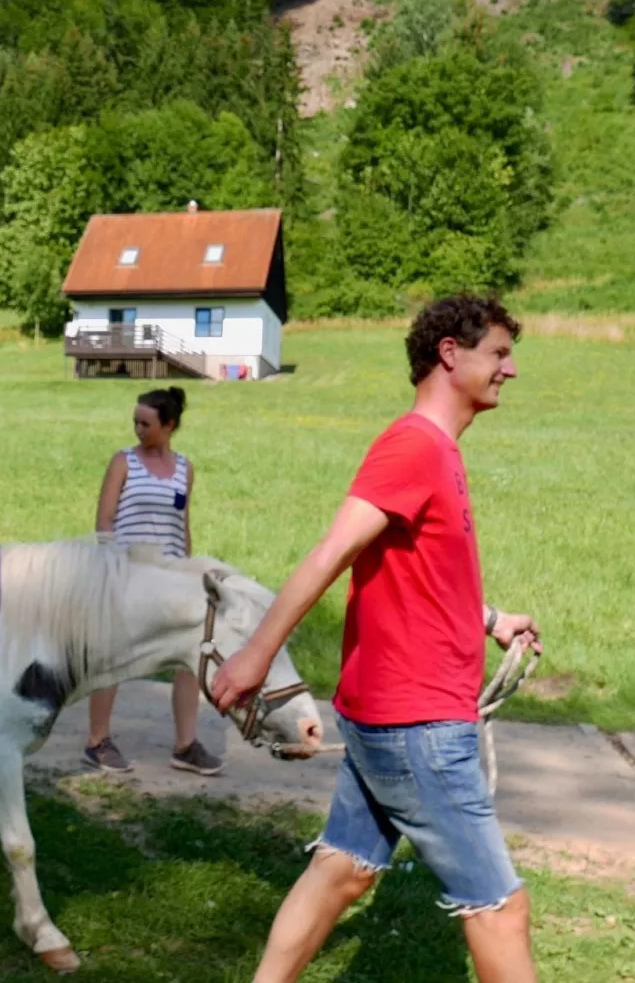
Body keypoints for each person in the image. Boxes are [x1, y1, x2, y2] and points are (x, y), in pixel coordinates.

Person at [210, 295, 543, 983]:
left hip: (387, 714)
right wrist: (256, 655)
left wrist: (490, 619)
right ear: (451, 353)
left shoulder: (435, 450)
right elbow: (332, 550)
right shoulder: (414, 446)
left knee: (343, 872)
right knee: (500, 909)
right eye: (499, 354)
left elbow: (419, 571)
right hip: (417, 722)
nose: (510, 370)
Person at [85, 386, 222, 777]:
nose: (139, 429)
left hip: (172, 576)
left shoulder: (184, 469)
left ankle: (186, 745)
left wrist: (191, 569)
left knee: (189, 654)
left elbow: (183, 524)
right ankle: (97, 741)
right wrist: (113, 567)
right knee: (113, 655)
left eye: (146, 423)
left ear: (170, 425)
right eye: (136, 422)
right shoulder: (123, 462)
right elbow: (105, 520)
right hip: (129, 573)